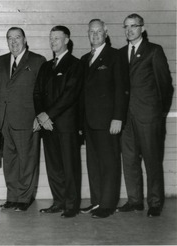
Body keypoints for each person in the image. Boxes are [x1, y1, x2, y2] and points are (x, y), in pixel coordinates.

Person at [117, 13, 173, 217]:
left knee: (152, 160)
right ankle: (134, 201)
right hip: (127, 118)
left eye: (134, 26)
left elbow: (166, 85)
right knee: (129, 160)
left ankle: (155, 202)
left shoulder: (153, 51)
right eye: (126, 26)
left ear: (142, 28)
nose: (129, 30)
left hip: (149, 116)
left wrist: (159, 112)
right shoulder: (121, 53)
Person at [79, 19, 129, 218]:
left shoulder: (115, 56)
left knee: (109, 163)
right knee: (93, 164)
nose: (95, 34)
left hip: (108, 121)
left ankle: (107, 204)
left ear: (106, 32)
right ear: (88, 33)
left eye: (99, 31)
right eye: (91, 31)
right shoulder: (84, 59)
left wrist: (118, 117)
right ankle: (97, 201)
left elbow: (121, 89)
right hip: (89, 122)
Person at [33, 26, 82, 218]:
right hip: (47, 125)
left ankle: (72, 205)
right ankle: (59, 201)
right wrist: (40, 115)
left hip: (65, 124)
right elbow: (36, 93)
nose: (53, 42)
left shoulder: (75, 64)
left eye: (57, 38)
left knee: (69, 166)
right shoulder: (46, 66)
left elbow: (69, 95)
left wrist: (48, 115)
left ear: (67, 40)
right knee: (53, 166)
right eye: (51, 38)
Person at [0, 27, 46, 212]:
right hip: (5, 120)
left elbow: (43, 91)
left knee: (27, 161)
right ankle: (12, 197)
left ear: (25, 39)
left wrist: (39, 116)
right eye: (10, 38)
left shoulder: (37, 60)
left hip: (27, 120)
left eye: (17, 37)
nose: (14, 42)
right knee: (10, 162)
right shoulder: (0, 61)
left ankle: (24, 198)